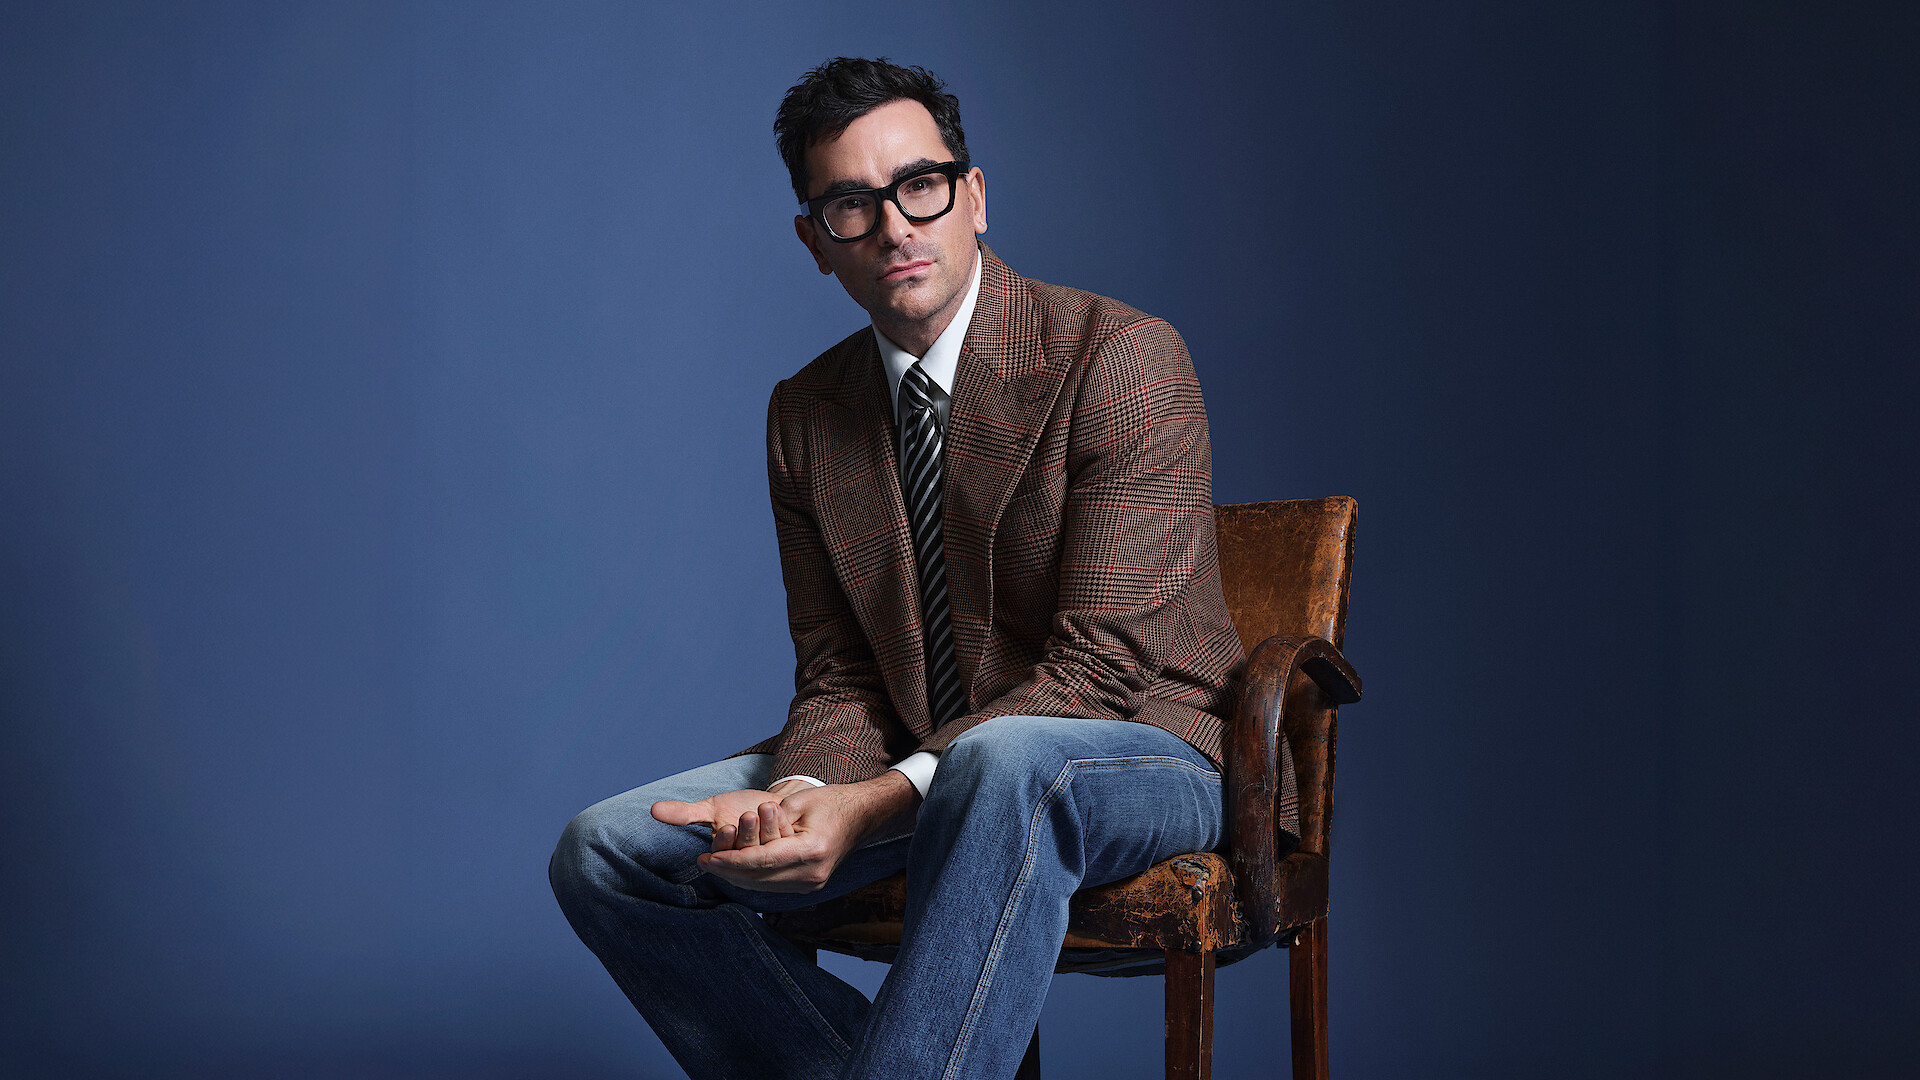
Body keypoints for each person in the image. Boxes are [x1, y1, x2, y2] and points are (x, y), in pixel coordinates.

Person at [549, 57, 1290, 1080]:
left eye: (920, 187)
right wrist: (805, 790)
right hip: (926, 762)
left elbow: (1098, 673)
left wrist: (869, 804)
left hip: (1143, 750)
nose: (896, 226)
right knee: (606, 852)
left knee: (1004, 763)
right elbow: (842, 670)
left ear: (973, 196)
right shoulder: (806, 416)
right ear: (815, 243)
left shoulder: (1120, 355)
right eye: (852, 205)